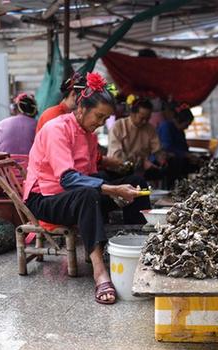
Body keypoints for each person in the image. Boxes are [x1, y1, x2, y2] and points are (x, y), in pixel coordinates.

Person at [23, 72, 151, 305]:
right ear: (81, 109)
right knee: (89, 194)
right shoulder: (56, 129)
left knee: (137, 182)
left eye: (105, 119)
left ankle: (140, 249)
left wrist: (119, 188)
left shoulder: (89, 135)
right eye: (99, 117)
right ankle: (100, 272)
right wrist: (112, 191)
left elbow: (91, 175)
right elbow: (68, 179)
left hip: (74, 195)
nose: (100, 123)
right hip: (44, 199)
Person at [106, 98, 166, 182]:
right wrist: (141, 161)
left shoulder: (149, 128)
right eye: (142, 118)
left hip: (139, 170)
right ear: (132, 114)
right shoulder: (119, 126)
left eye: (148, 118)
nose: (145, 121)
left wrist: (162, 159)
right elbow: (116, 156)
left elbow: (157, 150)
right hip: (118, 170)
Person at [157, 106, 199, 187]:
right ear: (180, 120)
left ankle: (187, 186)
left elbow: (185, 148)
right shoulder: (166, 126)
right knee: (175, 162)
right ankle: (171, 188)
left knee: (198, 162)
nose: (187, 127)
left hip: (179, 159)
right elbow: (167, 148)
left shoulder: (180, 131)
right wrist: (185, 155)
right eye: (187, 124)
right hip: (163, 160)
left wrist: (191, 157)